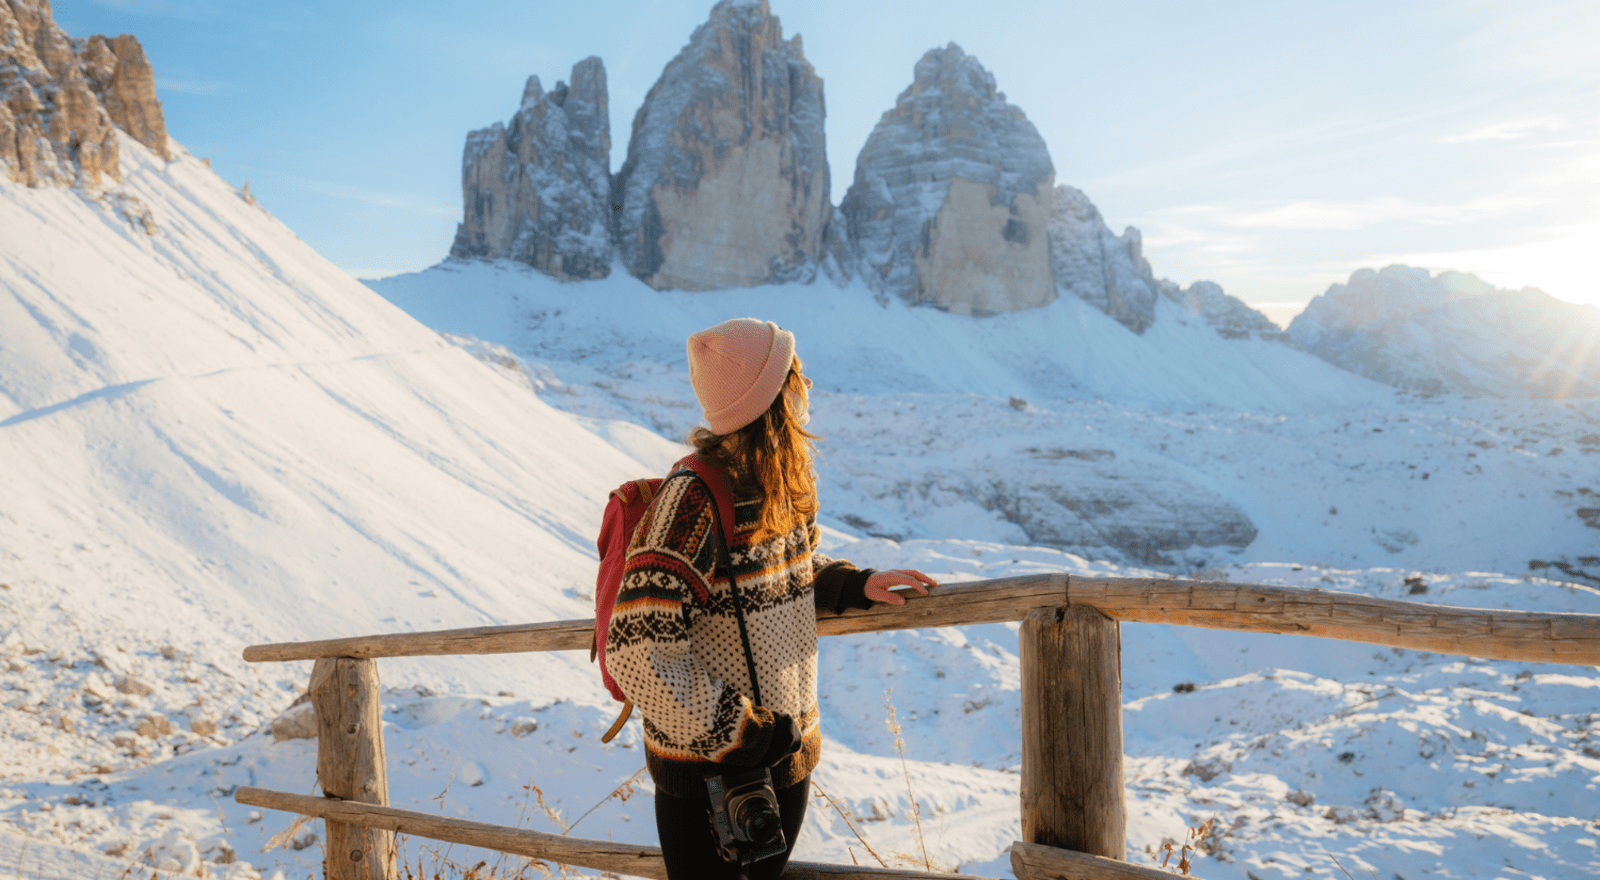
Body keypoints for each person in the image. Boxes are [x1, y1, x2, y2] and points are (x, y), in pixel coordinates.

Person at [605, 318, 938, 880]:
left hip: (783, 761)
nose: (805, 384)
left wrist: (852, 584)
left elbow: (787, 571)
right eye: (794, 373)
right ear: (771, 396)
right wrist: (740, 733)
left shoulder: (780, 480)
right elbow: (636, 647)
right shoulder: (694, 498)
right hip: (711, 772)